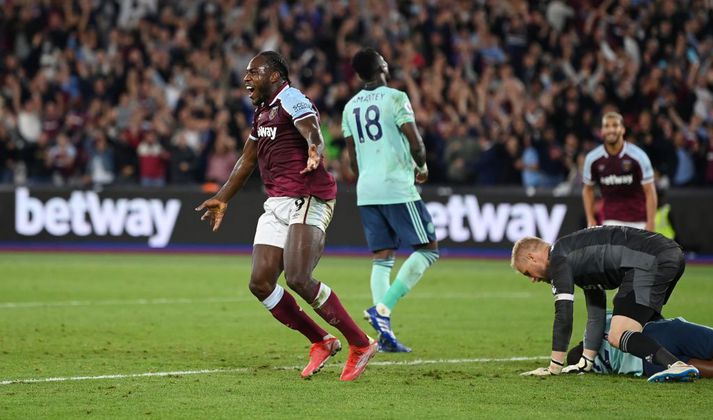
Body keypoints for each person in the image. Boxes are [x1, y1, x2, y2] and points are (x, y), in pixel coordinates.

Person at [195, 51, 377, 381]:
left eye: (254, 72)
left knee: (298, 277)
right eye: (246, 73)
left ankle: (361, 343)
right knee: (261, 282)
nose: (246, 78)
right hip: (277, 201)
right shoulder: (262, 112)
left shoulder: (290, 97)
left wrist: (313, 148)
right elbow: (247, 160)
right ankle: (321, 340)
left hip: (308, 196)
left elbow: (312, 128)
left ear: (276, 76)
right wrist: (223, 198)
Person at [511, 226, 700, 382]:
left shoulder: (559, 259)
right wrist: (587, 361)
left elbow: (564, 315)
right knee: (647, 326)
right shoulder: (575, 255)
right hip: (669, 253)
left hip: (648, 261)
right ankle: (697, 350)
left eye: (528, 273)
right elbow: (596, 313)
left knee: (618, 334)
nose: (533, 280)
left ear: (532, 258)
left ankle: (676, 365)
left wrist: (554, 367)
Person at [342, 48, 439, 352]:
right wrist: (421, 168)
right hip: (396, 185)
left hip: (366, 190)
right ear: (382, 66)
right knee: (428, 249)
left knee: (382, 257)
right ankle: (381, 310)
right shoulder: (395, 97)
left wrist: (366, 177)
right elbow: (417, 143)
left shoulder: (349, 107)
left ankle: (384, 335)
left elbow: (352, 161)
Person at [567, 311, 713, 378]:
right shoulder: (599, 322)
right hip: (659, 332)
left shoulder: (596, 367)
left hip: (647, 365)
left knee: (691, 366)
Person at [582, 112, 657, 230]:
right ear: (602, 131)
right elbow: (587, 189)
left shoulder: (638, 156)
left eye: (615, 125)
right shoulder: (593, 159)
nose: (611, 130)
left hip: (639, 220)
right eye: (607, 126)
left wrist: (651, 221)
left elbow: (650, 191)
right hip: (611, 220)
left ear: (622, 129)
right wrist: (590, 217)